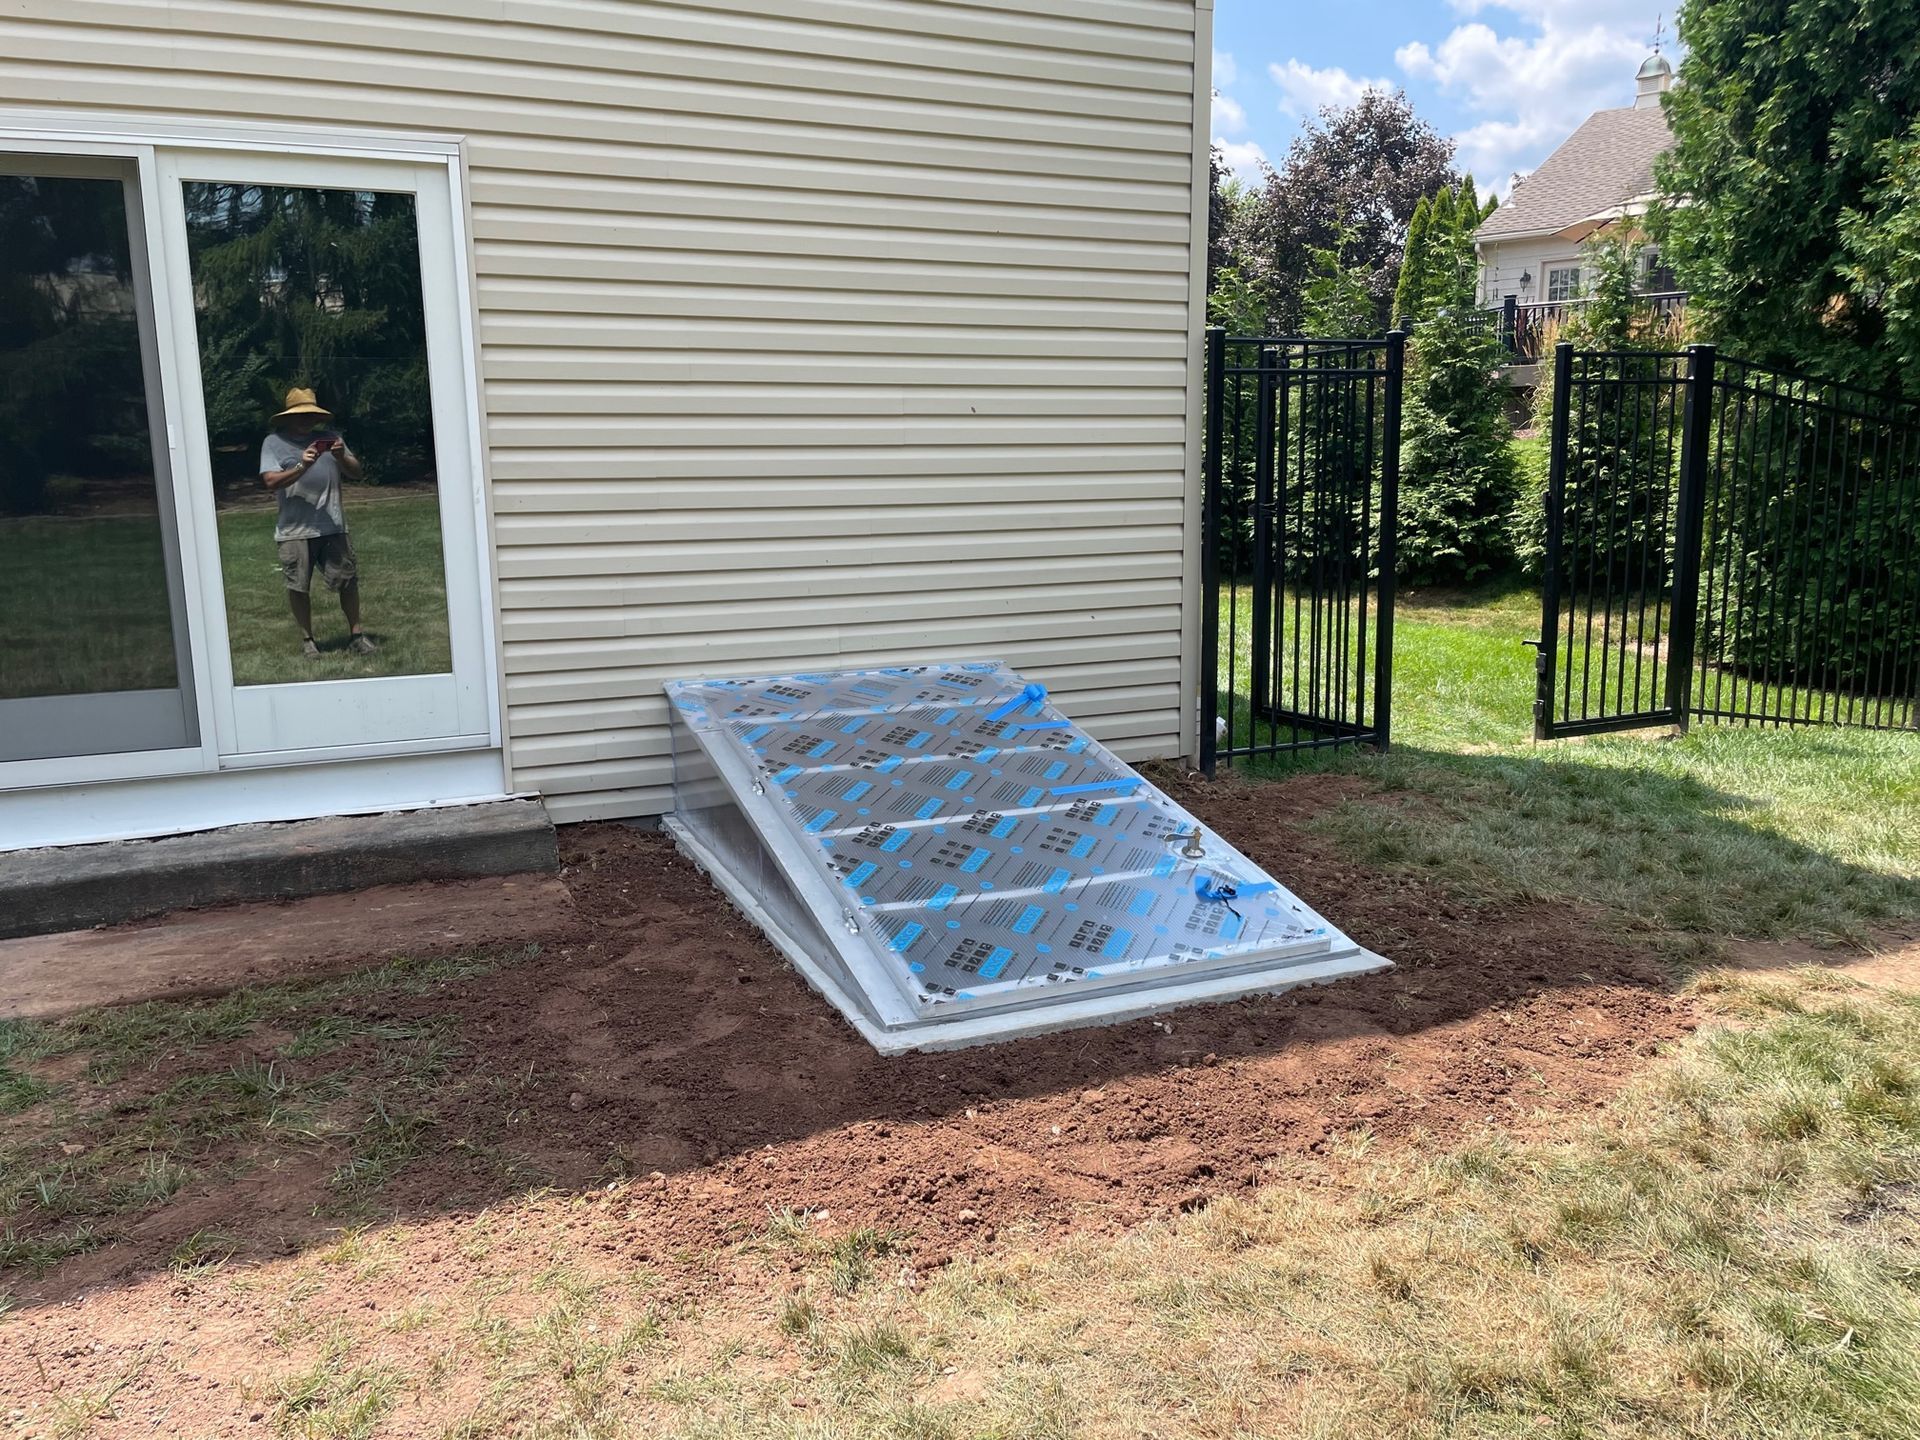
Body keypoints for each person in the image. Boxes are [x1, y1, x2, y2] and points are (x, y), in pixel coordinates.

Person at [258, 387, 377, 658]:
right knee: (298, 586)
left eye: (311, 415)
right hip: (294, 529)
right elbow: (270, 481)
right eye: (300, 415)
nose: (306, 420)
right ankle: (308, 640)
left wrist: (341, 456)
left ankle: (356, 635)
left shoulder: (331, 439)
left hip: (333, 524)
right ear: (288, 418)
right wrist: (302, 466)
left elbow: (357, 472)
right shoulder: (273, 443)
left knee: (348, 580)